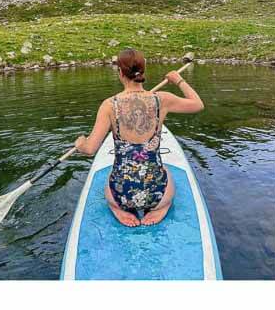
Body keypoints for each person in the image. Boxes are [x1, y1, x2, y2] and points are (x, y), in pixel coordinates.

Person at [73, 48, 204, 227]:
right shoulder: (162, 100)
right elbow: (198, 105)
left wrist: (80, 143)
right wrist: (178, 80)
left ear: (120, 72)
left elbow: (89, 150)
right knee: (165, 170)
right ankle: (159, 209)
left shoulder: (109, 106)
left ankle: (118, 209)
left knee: (112, 177)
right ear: (143, 70)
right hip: (157, 193)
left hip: (121, 195)